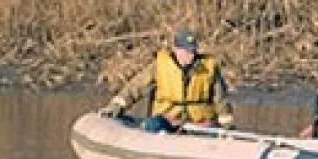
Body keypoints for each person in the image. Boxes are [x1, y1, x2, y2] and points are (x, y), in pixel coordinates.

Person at [100, 29, 234, 131]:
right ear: (175, 49)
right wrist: (117, 105)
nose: (190, 56)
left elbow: (220, 99)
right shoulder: (160, 66)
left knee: (212, 129)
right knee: (152, 125)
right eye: (186, 51)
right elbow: (136, 87)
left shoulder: (209, 68)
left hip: (199, 121)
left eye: (192, 51)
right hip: (168, 119)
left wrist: (226, 125)